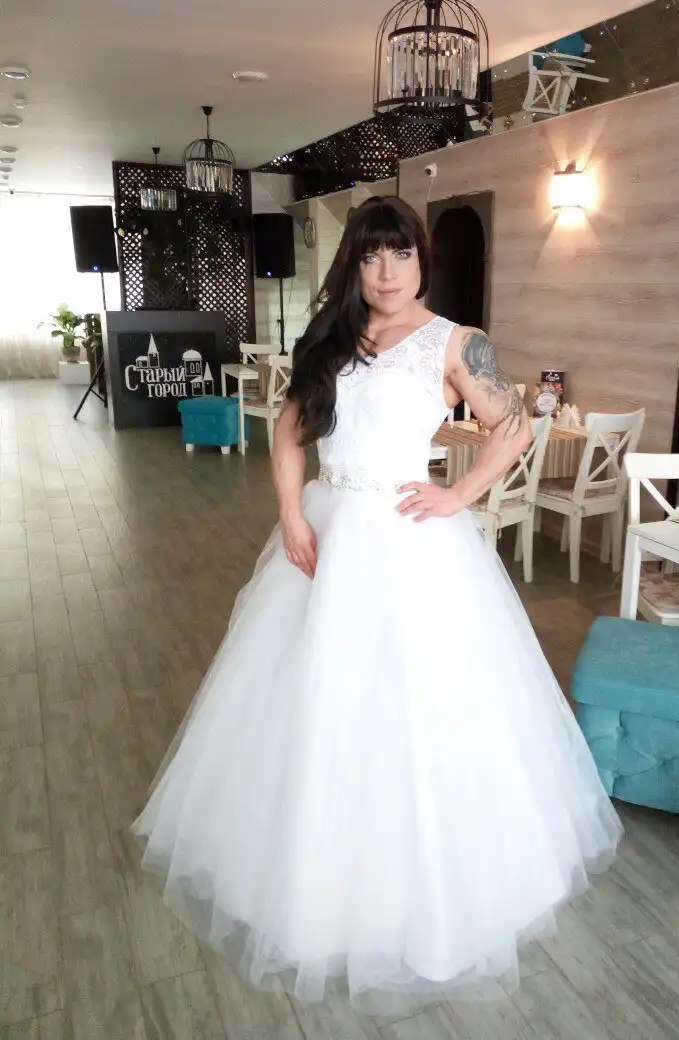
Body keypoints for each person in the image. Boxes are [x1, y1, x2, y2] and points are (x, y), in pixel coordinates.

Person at [131, 196, 622, 1013]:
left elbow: (515, 425)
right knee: (314, 697)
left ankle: (423, 889)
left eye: (401, 254)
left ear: (422, 261)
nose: (387, 272)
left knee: (417, 705)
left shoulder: (455, 341)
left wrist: (458, 492)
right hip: (329, 531)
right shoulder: (331, 335)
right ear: (353, 264)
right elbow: (289, 430)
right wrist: (291, 513)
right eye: (370, 255)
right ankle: (312, 877)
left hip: (410, 540)